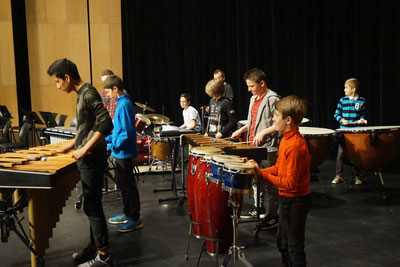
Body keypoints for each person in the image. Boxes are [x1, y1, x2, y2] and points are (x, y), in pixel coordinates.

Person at [47, 58, 114, 267]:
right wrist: (73, 143)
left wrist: (84, 148)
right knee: (90, 205)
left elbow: (106, 123)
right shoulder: (82, 94)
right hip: (89, 157)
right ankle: (94, 248)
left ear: (67, 77)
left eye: (58, 82)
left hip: (92, 159)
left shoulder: (88, 93)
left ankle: (104, 257)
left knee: (92, 207)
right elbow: (88, 128)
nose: (58, 87)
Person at [247, 95, 312, 267]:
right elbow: (278, 168)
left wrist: (262, 175)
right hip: (287, 200)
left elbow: (290, 183)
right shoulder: (286, 139)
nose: (273, 119)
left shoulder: (295, 146)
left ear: (288, 120)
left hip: (296, 201)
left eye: (276, 115)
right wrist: (259, 171)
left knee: (293, 247)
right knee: (283, 244)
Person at [231, 68, 280, 229]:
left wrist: (265, 132)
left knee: (269, 182)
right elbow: (253, 122)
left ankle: (274, 215)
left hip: (268, 147)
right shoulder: (253, 99)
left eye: (251, 86)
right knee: (254, 178)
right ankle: (259, 208)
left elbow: (279, 124)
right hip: (253, 145)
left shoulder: (273, 99)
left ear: (262, 83)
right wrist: (242, 129)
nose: (249, 89)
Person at [103, 75, 143, 233]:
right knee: (124, 186)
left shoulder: (124, 105)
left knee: (129, 187)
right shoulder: (121, 104)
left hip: (124, 153)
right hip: (119, 152)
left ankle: (135, 218)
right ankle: (127, 213)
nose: (107, 95)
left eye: (108, 91)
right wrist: (105, 139)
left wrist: (112, 144)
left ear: (115, 89)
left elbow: (126, 133)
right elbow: (118, 131)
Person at [332, 78, 367, 184]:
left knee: (358, 154)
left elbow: (363, 115)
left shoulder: (362, 101)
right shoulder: (343, 100)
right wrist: (342, 120)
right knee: (340, 154)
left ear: (353, 89)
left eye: (346, 88)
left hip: (356, 132)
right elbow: (336, 114)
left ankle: (358, 176)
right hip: (344, 131)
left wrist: (362, 119)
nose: (344, 90)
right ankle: (338, 176)